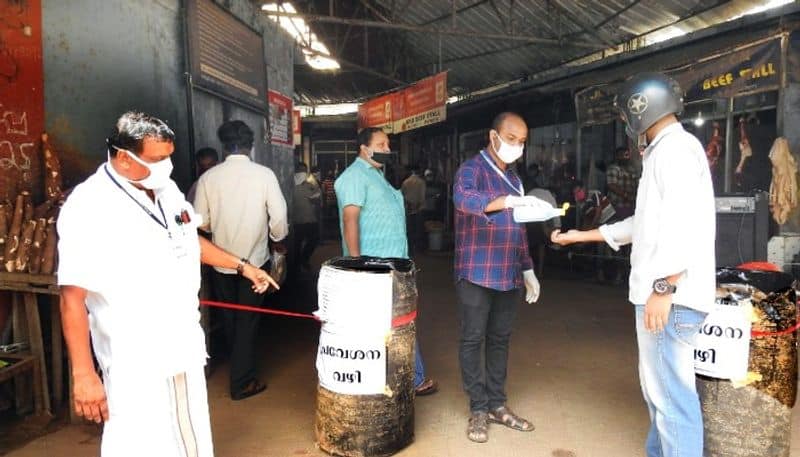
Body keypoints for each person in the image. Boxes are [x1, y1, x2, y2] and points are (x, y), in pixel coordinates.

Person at [58, 112, 278, 456]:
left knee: (190, 436)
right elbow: (72, 297)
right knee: (138, 441)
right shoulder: (89, 206)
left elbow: (189, 239)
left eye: (169, 157)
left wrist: (242, 266)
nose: (168, 166)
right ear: (123, 158)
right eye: (158, 159)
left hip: (182, 345)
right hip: (135, 357)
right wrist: (84, 375)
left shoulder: (166, 190)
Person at [551, 73, 714, 457]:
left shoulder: (674, 151)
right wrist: (583, 236)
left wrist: (664, 287)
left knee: (672, 401)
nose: (626, 124)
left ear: (642, 110)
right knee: (659, 395)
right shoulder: (665, 149)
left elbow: (684, 224)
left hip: (670, 299)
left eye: (626, 115)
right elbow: (643, 223)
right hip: (667, 297)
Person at [453, 112, 543, 443]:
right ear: (494, 137)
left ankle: (497, 404)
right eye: (511, 139)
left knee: (500, 339)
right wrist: (503, 201)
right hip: (476, 271)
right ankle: (478, 407)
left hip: (508, 272)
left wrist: (528, 267)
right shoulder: (470, 171)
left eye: (521, 142)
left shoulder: (515, 179)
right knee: (473, 338)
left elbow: (518, 228)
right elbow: (464, 200)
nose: (516, 146)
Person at [335, 127, 438, 396]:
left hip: (394, 264)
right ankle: (408, 379)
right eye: (381, 144)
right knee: (390, 322)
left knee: (399, 320)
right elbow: (350, 220)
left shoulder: (377, 176)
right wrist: (355, 264)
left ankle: (407, 377)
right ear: (364, 148)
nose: (387, 148)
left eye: (388, 144)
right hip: (373, 266)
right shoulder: (354, 177)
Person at [193, 120, 288, 401]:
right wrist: (276, 237)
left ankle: (239, 365)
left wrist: (218, 228)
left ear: (224, 146)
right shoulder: (264, 175)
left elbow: (202, 221)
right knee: (247, 321)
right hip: (255, 262)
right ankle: (242, 381)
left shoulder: (209, 178)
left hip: (220, 261)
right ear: (251, 146)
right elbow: (279, 218)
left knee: (232, 318)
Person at [293, 161, 321, 273]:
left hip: (310, 218)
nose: (303, 172)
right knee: (297, 243)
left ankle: (303, 259)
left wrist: (316, 196)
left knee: (314, 239)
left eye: (304, 170)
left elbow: (318, 194)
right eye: (301, 170)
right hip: (296, 220)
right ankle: (297, 265)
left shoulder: (310, 183)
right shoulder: (289, 183)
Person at [606, 146, 638, 219]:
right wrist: (626, 195)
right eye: (623, 155)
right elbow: (612, 185)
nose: (626, 157)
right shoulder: (613, 168)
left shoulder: (631, 169)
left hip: (630, 205)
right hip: (617, 205)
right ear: (617, 156)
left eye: (627, 155)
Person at [401, 165, 426, 256]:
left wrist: (409, 205)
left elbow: (402, 196)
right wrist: (418, 206)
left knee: (409, 230)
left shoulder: (405, 182)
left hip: (408, 209)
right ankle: (418, 249)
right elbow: (422, 197)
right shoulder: (421, 182)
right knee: (418, 230)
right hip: (419, 209)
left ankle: (410, 250)